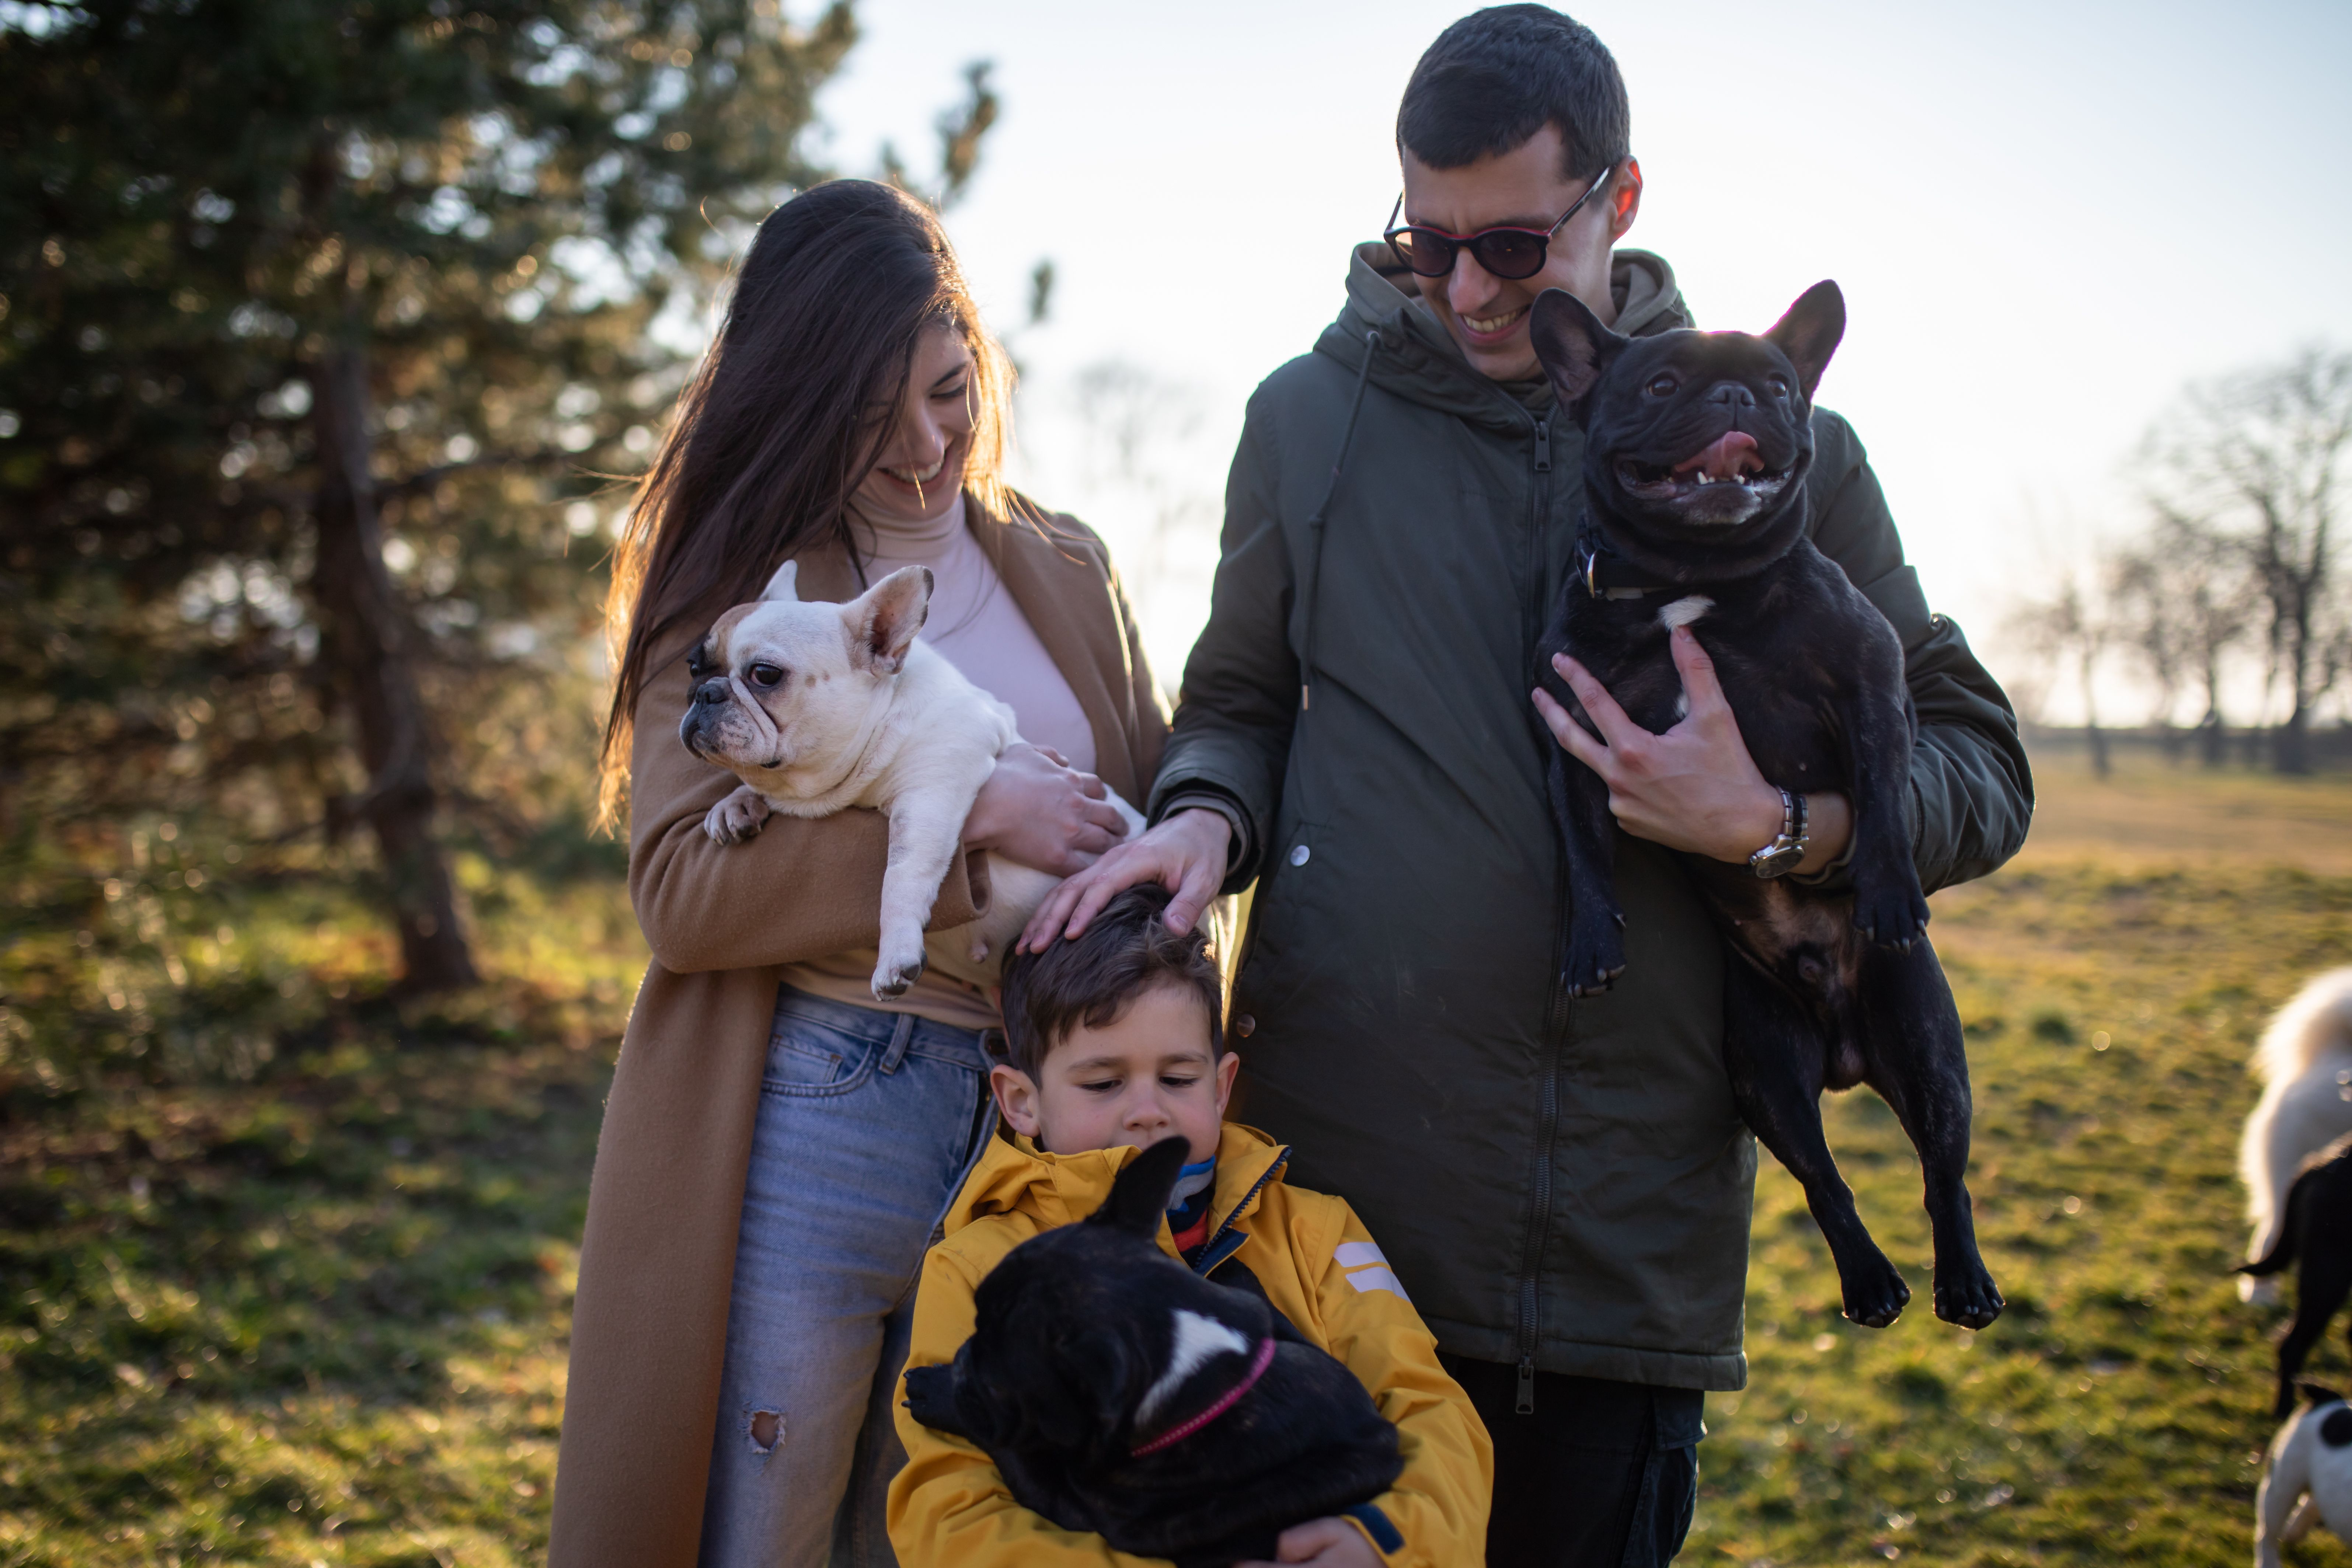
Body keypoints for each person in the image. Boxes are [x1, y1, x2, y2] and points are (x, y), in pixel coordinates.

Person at [1024, 9, 2034, 1566]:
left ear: (1616, 200)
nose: (1465, 290)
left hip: (1616, 1248)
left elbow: (1977, 757)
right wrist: (1203, 814)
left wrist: (1781, 828)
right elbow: (1236, 705)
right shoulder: (1304, 420)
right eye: (1425, 243)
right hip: (1328, 1219)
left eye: (1510, 245)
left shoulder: (1782, 445)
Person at [551, 180, 1167, 1568]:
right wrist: (971, 822)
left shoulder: (1069, 565)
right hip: (824, 1097)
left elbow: (1146, 799)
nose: (926, 448)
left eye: (949, 393)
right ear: (795, 402)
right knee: (765, 1530)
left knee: (950, 1532)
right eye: (870, 418)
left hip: (1039, 1125)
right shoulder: (733, 591)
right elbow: (680, 892)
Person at [890, 885, 1493, 1568]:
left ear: (1221, 1085)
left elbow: (1429, 1410)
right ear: (1021, 1101)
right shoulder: (976, 1266)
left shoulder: (1315, 1231)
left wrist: (1383, 1542)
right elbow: (950, 1510)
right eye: (1103, 1083)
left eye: (1177, 1078)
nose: (1147, 1110)